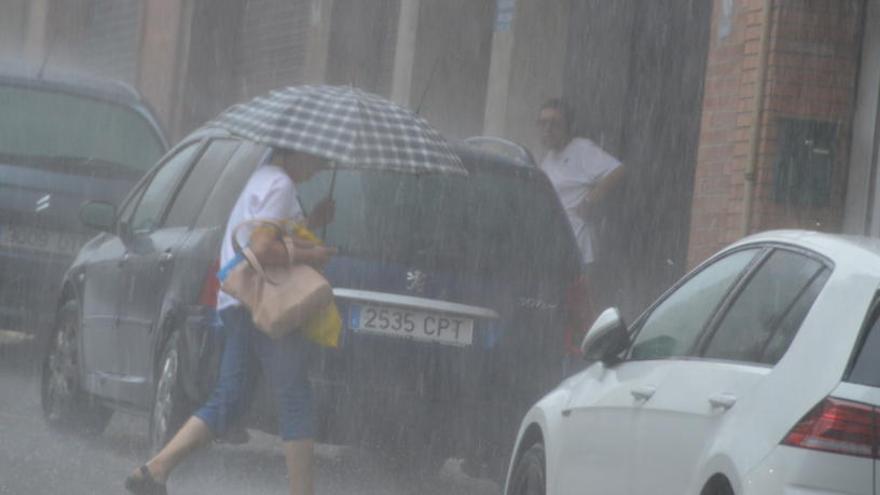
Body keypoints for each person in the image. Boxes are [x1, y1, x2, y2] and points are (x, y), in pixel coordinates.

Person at [125, 148, 336, 495]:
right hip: (264, 302)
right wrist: (313, 254)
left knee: (230, 397)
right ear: (293, 153)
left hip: (236, 302)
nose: (318, 170)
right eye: (317, 161)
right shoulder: (281, 185)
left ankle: (156, 470)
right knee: (295, 395)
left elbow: (267, 235)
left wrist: (310, 224)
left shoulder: (261, 178)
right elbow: (263, 248)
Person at [537, 98, 624, 365]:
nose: (547, 129)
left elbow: (617, 170)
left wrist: (591, 200)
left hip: (580, 249)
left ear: (568, 126)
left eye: (554, 123)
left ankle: (594, 360)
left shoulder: (581, 149)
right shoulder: (548, 159)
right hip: (557, 249)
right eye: (543, 123)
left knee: (584, 312)